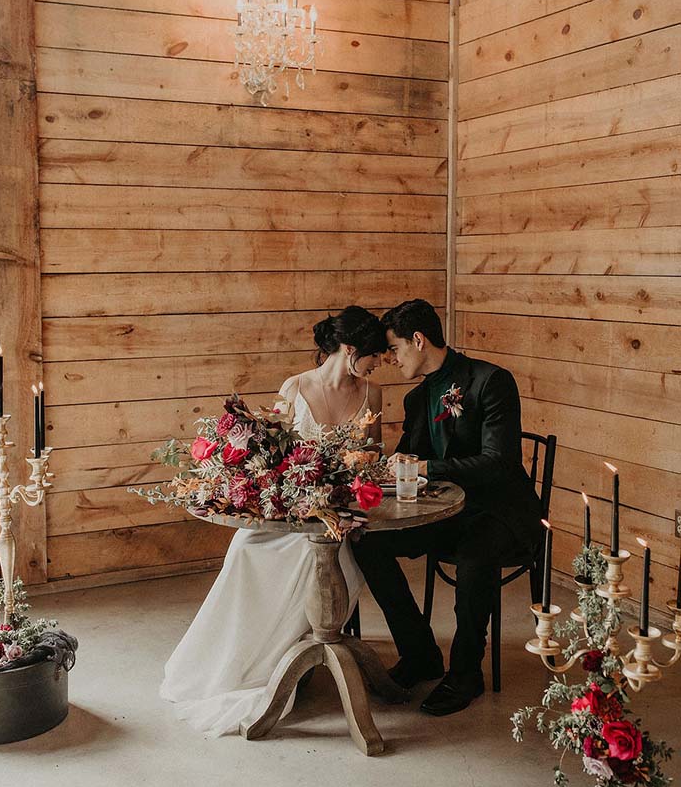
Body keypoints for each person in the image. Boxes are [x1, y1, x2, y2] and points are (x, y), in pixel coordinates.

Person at [161, 306, 386, 736]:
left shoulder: (372, 393)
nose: (380, 363)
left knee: (315, 556)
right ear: (350, 348)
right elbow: (274, 456)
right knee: (245, 549)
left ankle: (295, 655)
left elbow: (374, 457)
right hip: (292, 509)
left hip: (340, 514)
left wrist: (349, 477)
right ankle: (240, 660)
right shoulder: (296, 386)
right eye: (375, 354)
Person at [352, 299, 542, 716]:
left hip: (500, 512)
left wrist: (428, 466)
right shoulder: (418, 398)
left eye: (396, 349)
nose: (391, 359)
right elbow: (407, 460)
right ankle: (420, 653)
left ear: (418, 340)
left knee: (476, 555)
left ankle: (465, 673)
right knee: (367, 541)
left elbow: (499, 462)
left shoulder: (490, 381)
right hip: (445, 513)